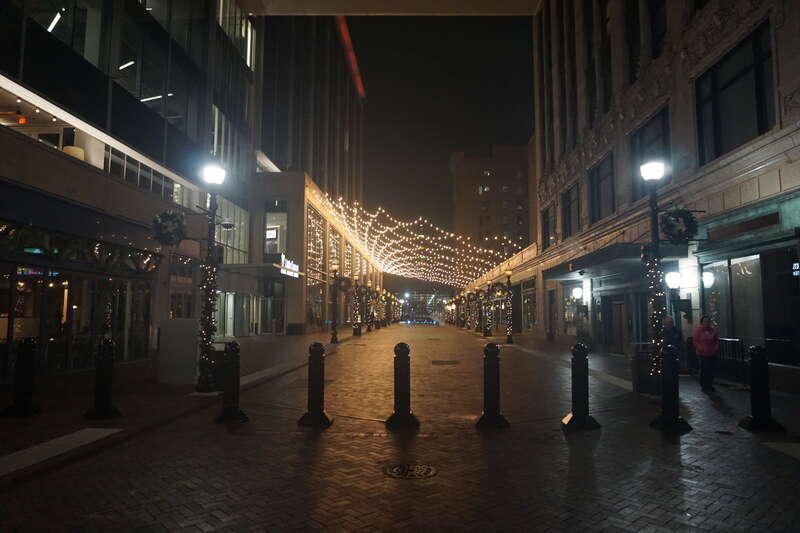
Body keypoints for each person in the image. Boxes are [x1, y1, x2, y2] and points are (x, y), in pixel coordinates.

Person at [693, 315, 719, 393]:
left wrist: (716, 348)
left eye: (708, 321)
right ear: (702, 322)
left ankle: (710, 385)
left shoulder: (712, 330)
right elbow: (695, 341)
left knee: (711, 369)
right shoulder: (698, 331)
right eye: (705, 321)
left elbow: (715, 340)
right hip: (702, 354)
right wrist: (700, 348)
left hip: (712, 353)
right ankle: (704, 385)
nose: (706, 323)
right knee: (705, 369)